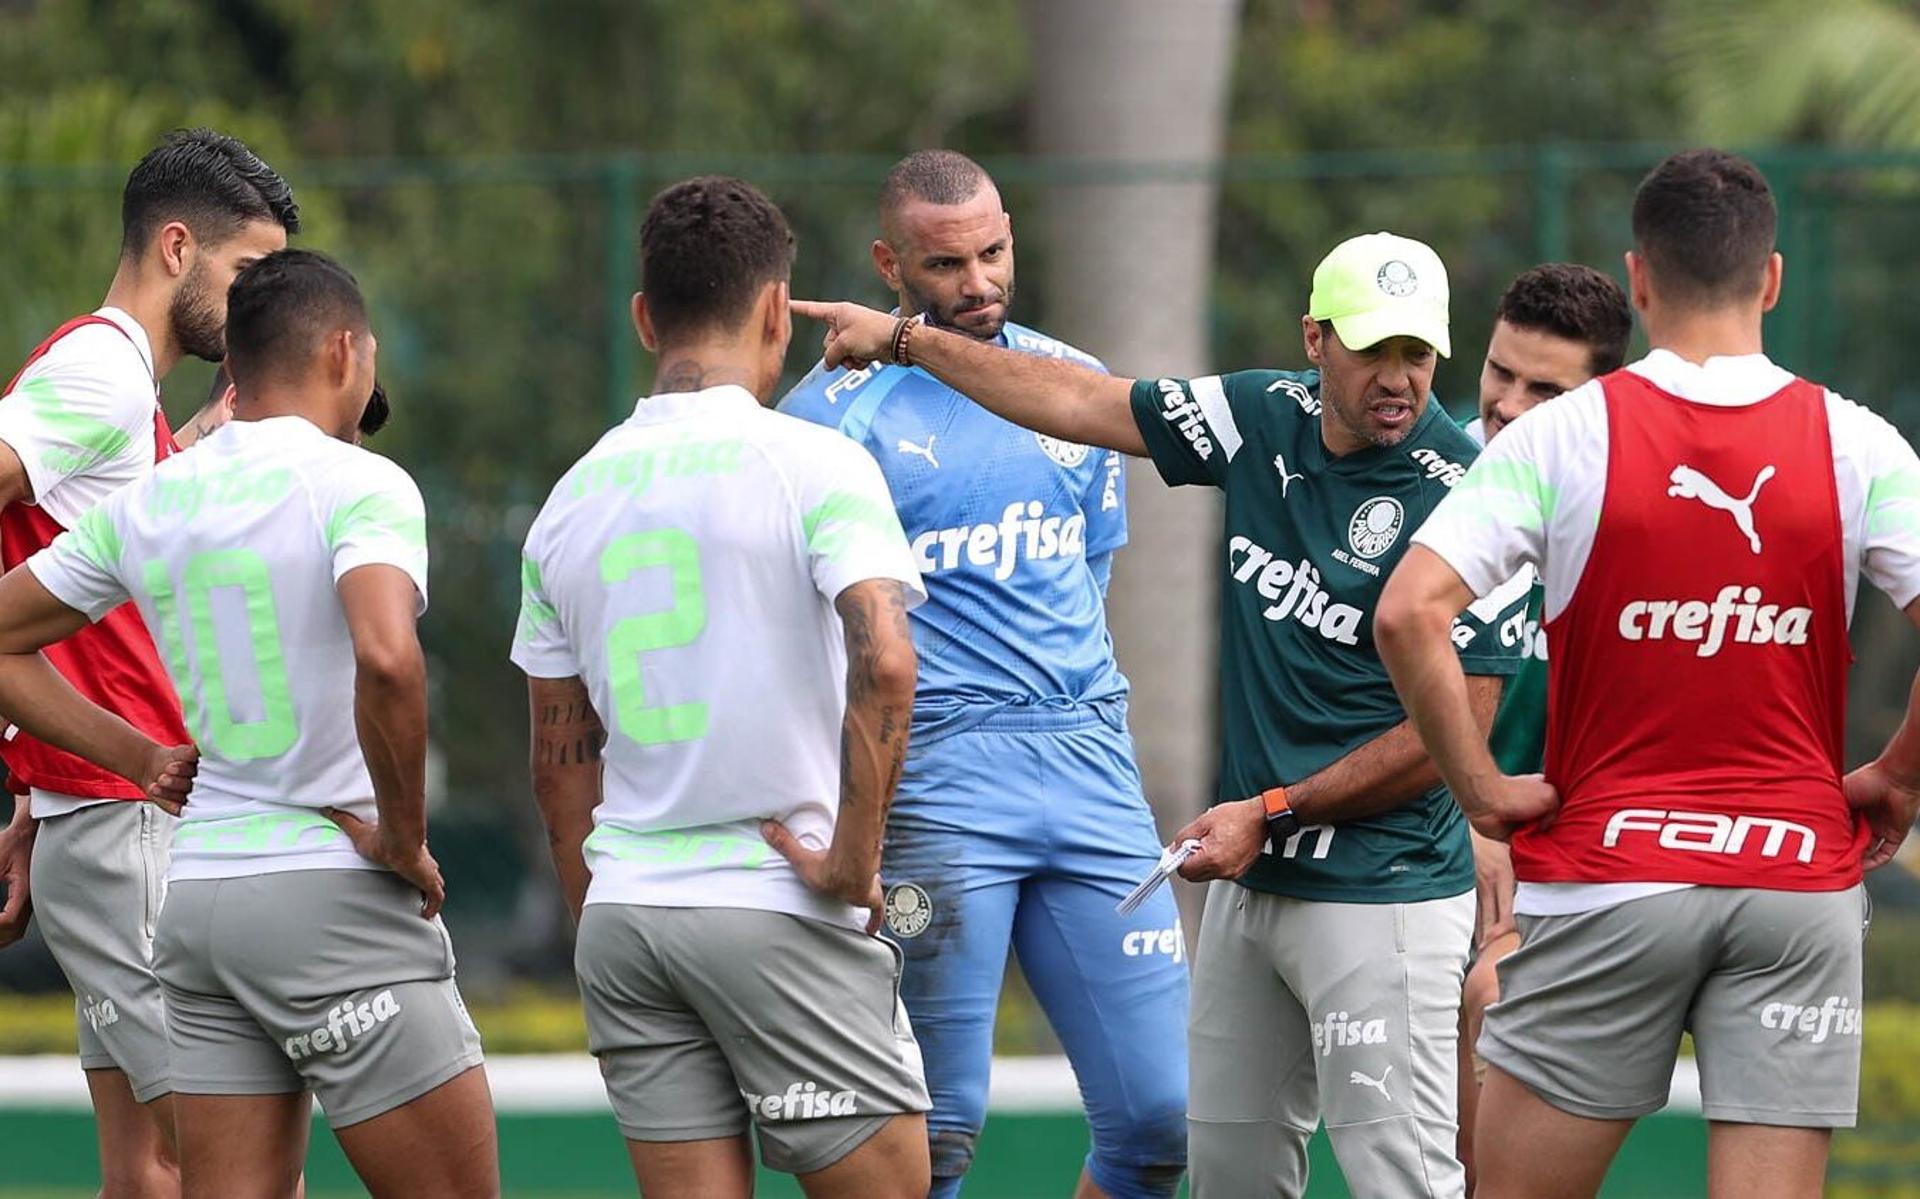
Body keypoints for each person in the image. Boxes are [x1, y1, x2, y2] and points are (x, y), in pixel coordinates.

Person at [795, 229, 1527, 1198]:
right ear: (1316, 340)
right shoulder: (1265, 414)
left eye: (1418, 353)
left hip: (1380, 892)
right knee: (1217, 1172)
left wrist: (1272, 810)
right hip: (1253, 884)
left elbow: (1450, 742)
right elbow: (1084, 402)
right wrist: (905, 341)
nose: (1399, 378)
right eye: (1373, 349)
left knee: (1404, 1183)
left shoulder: (1471, 496)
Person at [1378, 148, 1920, 1199]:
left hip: (1608, 879)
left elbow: (1407, 611)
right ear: (1771, 280)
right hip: (1794, 879)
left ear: (1637, 279)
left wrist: (1483, 791)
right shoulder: (1859, 443)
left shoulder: (1562, 436)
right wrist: (1899, 772)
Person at [0, 248, 498, 1196]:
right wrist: (402, 835)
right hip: (333, 896)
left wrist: (140, 757)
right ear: (347, 352)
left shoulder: (153, 496)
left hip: (201, 908)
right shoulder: (362, 483)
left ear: (233, 367)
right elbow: (388, 657)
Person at [512, 175, 932, 1199]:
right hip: (776, 900)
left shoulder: (567, 500)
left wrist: (603, 906)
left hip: (629, 916)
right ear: (779, 310)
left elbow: (559, 763)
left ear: (644, 318)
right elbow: (886, 659)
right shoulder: (815, 464)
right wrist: (852, 860)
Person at [779, 149, 1187, 1199]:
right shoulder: (827, 419)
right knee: (938, 1129)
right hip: (940, 777)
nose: (979, 284)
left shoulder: (1071, 386)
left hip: (1092, 759)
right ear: (889, 264)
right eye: (946, 263)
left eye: (994, 252)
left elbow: (1088, 576)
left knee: (1164, 1119)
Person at [0, 127, 296, 1197]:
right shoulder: (101, 375)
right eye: (249, 275)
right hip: (126, 827)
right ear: (177, 246)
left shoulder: (121, 389)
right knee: (240, 1162)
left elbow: (38, 581)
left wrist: (31, 778)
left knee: (147, 1170)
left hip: (97, 820)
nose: (266, 304)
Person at [1448, 264, 1631, 1191]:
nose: (1508, 407)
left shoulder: (1630, 518)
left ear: (1599, 404)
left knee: (1491, 991)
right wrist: (1465, 814)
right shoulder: (1428, 480)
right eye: (1498, 373)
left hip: (1573, 867)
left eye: (1545, 390)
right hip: (1427, 847)